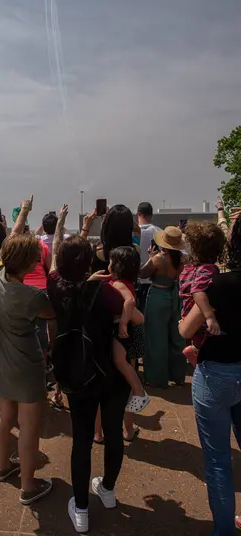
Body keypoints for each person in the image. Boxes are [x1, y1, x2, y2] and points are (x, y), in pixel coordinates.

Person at [48, 205, 132, 533]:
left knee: (81, 440)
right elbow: (130, 313)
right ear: (89, 264)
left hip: (77, 374)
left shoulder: (56, 286)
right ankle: (108, 489)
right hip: (108, 372)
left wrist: (69, 230)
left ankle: (80, 508)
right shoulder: (102, 289)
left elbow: (57, 259)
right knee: (113, 435)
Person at [0, 195, 55, 505]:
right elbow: (54, 314)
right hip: (26, 365)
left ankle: (3, 467)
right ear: (29, 264)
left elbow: (11, 239)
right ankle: (29, 486)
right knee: (29, 426)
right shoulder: (32, 297)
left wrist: (24, 210)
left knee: (3, 415)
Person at [179, 214, 241, 535]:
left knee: (218, 461)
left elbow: (185, 328)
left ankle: (224, 531)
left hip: (216, 371)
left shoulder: (215, 283)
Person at [85, 204, 144, 442]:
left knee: (100, 379)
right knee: (125, 379)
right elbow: (138, 231)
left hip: (101, 323)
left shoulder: (97, 253)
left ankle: (98, 432)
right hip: (127, 323)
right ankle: (128, 429)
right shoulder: (134, 251)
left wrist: (102, 218)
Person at [141, 227, 186, 388]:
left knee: (155, 338)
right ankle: (178, 375)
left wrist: (150, 257)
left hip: (158, 297)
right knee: (176, 337)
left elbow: (142, 273)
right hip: (175, 297)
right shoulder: (180, 260)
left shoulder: (158, 259)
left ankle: (157, 378)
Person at [108, 247, 149, 413]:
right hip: (124, 330)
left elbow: (130, 301)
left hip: (121, 331)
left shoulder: (118, 284)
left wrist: (123, 322)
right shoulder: (126, 283)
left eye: (111, 262)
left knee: (119, 360)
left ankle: (139, 392)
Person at [179, 222, 226, 367]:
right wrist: (210, 317)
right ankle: (195, 352)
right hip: (201, 319)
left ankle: (194, 350)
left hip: (187, 314)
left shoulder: (188, 268)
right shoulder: (208, 270)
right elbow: (197, 291)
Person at [137, 202, 162, 312]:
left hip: (135, 281)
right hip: (154, 281)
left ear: (138, 214)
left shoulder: (132, 232)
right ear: (151, 215)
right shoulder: (159, 232)